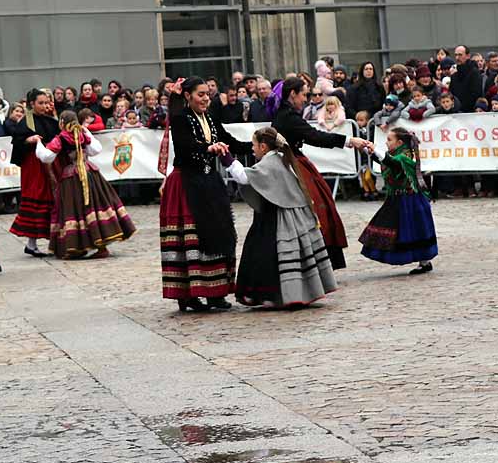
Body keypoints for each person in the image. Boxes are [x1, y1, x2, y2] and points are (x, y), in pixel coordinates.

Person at [159, 77, 250, 313]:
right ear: (188, 96)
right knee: (194, 237)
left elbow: (229, 141)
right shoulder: (180, 119)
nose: (205, 98)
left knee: (220, 231)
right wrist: (207, 148)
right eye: (200, 94)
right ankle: (189, 293)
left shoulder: (210, 117)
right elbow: (186, 146)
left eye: (207, 94)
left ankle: (216, 291)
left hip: (209, 180)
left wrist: (259, 143)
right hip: (187, 183)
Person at [226, 127, 337, 308]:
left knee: (268, 254)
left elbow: (245, 177)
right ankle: (283, 293)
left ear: (263, 146)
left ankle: (272, 294)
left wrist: (227, 159)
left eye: (254, 145)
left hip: (278, 217)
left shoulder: (270, 163)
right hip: (280, 213)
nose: (252, 149)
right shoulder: (279, 158)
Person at [272, 78, 371, 270]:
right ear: (292, 94)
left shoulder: (287, 113)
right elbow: (316, 137)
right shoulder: (288, 117)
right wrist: (350, 141)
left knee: (319, 205)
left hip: (294, 162)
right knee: (316, 209)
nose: (306, 99)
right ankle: (313, 260)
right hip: (292, 165)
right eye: (304, 94)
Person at [35, 110, 136, 259]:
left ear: (62, 122)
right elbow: (96, 150)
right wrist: (86, 131)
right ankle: (101, 246)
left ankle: (76, 247)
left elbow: (46, 157)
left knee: (74, 210)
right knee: (93, 207)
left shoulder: (61, 138)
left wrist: (38, 143)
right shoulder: (82, 134)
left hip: (71, 177)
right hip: (89, 172)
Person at [359, 128, 438, 275]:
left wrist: (374, 149)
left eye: (389, 140)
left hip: (410, 199)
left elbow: (392, 162)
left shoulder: (404, 157)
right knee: (394, 227)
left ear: (400, 142)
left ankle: (424, 262)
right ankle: (424, 261)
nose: (386, 142)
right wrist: (366, 150)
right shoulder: (397, 154)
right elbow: (386, 161)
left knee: (414, 229)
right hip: (398, 198)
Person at [8, 89, 60, 257]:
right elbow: (17, 143)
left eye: (46, 103)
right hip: (34, 167)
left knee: (53, 199)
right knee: (37, 198)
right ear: (32, 104)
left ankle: (56, 239)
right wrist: (27, 141)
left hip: (50, 164)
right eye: (41, 103)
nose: (44, 106)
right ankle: (31, 243)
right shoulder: (25, 122)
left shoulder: (50, 120)